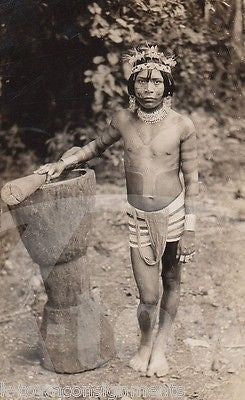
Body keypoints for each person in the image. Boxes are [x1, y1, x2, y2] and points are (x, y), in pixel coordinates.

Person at [34, 44, 198, 377]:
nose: (148, 89)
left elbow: (193, 180)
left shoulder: (183, 125)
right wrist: (62, 163)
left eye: (156, 82)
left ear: (168, 85)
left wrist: (191, 229)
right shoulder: (123, 120)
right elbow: (95, 146)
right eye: (141, 81)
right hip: (138, 216)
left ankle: (160, 348)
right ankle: (144, 342)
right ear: (132, 85)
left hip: (176, 214)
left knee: (172, 281)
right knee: (148, 295)